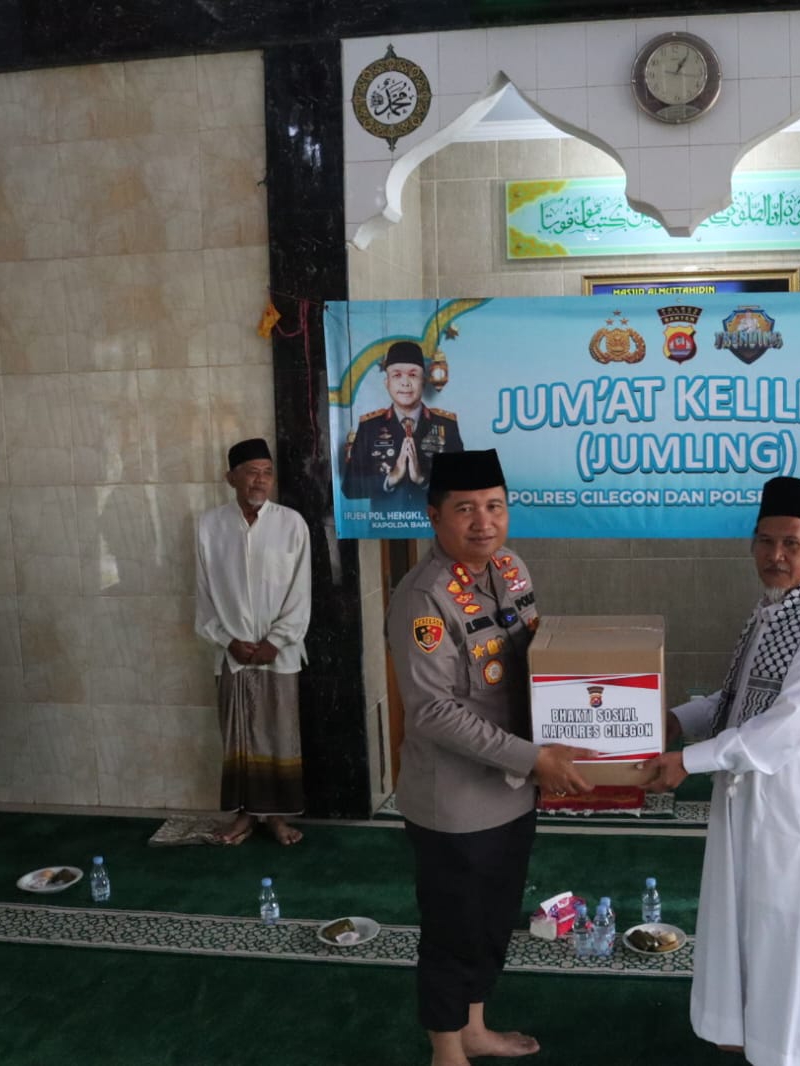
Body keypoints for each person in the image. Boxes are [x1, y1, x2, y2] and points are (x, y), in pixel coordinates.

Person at [640, 476, 800, 1066]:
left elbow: (782, 727)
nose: (776, 555)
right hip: (748, 799)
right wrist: (677, 719)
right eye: (765, 541)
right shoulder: (771, 613)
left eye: (792, 544)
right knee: (748, 923)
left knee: (793, 939)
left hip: (798, 819)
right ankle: (748, 1031)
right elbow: (738, 699)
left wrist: (688, 762)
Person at [386, 448, 596, 1066]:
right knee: (453, 929)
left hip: (513, 788)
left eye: (495, 506)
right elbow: (433, 711)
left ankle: (474, 1029)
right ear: (434, 516)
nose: (484, 522)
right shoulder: (424, 599)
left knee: (494, 920)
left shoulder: (511, 568)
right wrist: (535, 759)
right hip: (454, 802)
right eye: (466, 509)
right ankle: (446, 1051)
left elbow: (536, 660)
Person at [194, 438, 311, 847]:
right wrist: (227, 640)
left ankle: (276, 817)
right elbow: (203, 595)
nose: (260, 480)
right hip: (232, 654)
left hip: (280, 654)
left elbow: (301, 592)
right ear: (231, 478)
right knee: (238, 737)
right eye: (251, 472)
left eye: (266, 472)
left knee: (279, 734)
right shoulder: (209, 526)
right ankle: (244, 815)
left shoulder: (292, 524)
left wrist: (276, 640)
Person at [342, 340, 463, 513]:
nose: (405, 383)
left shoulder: (446, 425)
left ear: (423, 381)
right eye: (397, 375)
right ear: (387, 383)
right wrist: (391, 478)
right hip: (387, 525)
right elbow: (349, 487)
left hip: (432, 525)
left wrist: (422, 479)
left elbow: (461, 485)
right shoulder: (369, 427)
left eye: (413, 375)